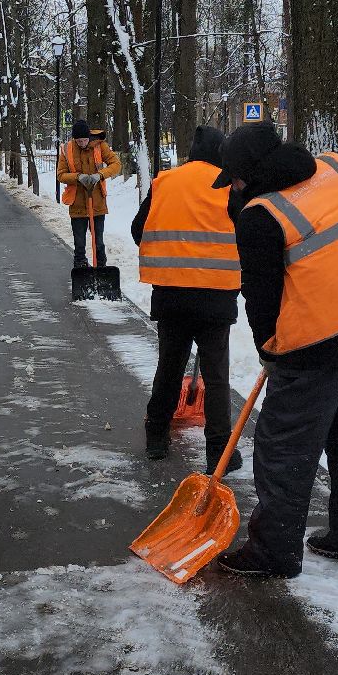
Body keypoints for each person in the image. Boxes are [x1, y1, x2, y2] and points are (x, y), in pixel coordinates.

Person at [208, 122, 338, 578]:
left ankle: (273, 552)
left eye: (234, 178)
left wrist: (269, 351)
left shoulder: (260, 216)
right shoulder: (335, 172)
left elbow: (261, 299)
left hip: (313, 350)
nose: (232, 187)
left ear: (250, 174)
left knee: (283, 452)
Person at [131, 125, 241, 471]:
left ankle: (157, 437)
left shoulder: (165, 181)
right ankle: (218, 450)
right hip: (216, 298)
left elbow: (138, 230)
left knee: (169, 366)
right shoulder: (229, 186)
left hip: (171, 296)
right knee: (217, 373)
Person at [56, 120, 122, 269]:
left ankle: (100, 268)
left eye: (85, 140)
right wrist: (78, 177)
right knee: (79, 243)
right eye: (79, 141)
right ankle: (81, 267)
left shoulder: (100, 145)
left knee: (98, 241)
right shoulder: (67, 149)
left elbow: (116, 164)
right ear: (75, 139)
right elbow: (60, 175)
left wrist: (100, 175)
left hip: (97, 201)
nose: (82, 143)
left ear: (89, 137)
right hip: (77, 203)